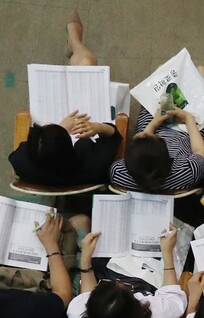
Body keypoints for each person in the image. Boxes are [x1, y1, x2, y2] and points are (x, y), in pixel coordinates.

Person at [8, 10, 120, 187]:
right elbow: (115, 137)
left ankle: (74, 43)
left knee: (85, 62)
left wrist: (57, 133)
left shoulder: (24, 165)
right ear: (69, 147)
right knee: (87, 62)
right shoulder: (93, 165)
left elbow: (19, 153)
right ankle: (75, 43)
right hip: (82, 164)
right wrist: (97, 126)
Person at [67, 226, 187, 318]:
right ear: (137, 305)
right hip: (149, 283)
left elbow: (87, 293)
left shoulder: (76, 315)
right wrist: (167, 253)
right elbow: (172, 293)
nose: (119, 282)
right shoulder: (159, 315)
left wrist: (85, 259)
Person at [108, 64, 204, 192]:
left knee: (163, 71)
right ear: (168, 158)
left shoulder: (119, 173)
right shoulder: (187, 172)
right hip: (190, 132)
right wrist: (187, 117)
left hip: (154, 123)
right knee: (202, 73)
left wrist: (155, 122)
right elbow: (199, 151)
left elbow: (139, 144)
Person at [0, 210, 76, 318]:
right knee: (79, 221)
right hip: (55, 307)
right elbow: (64, 294)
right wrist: (51, 245)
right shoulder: (20, 310)